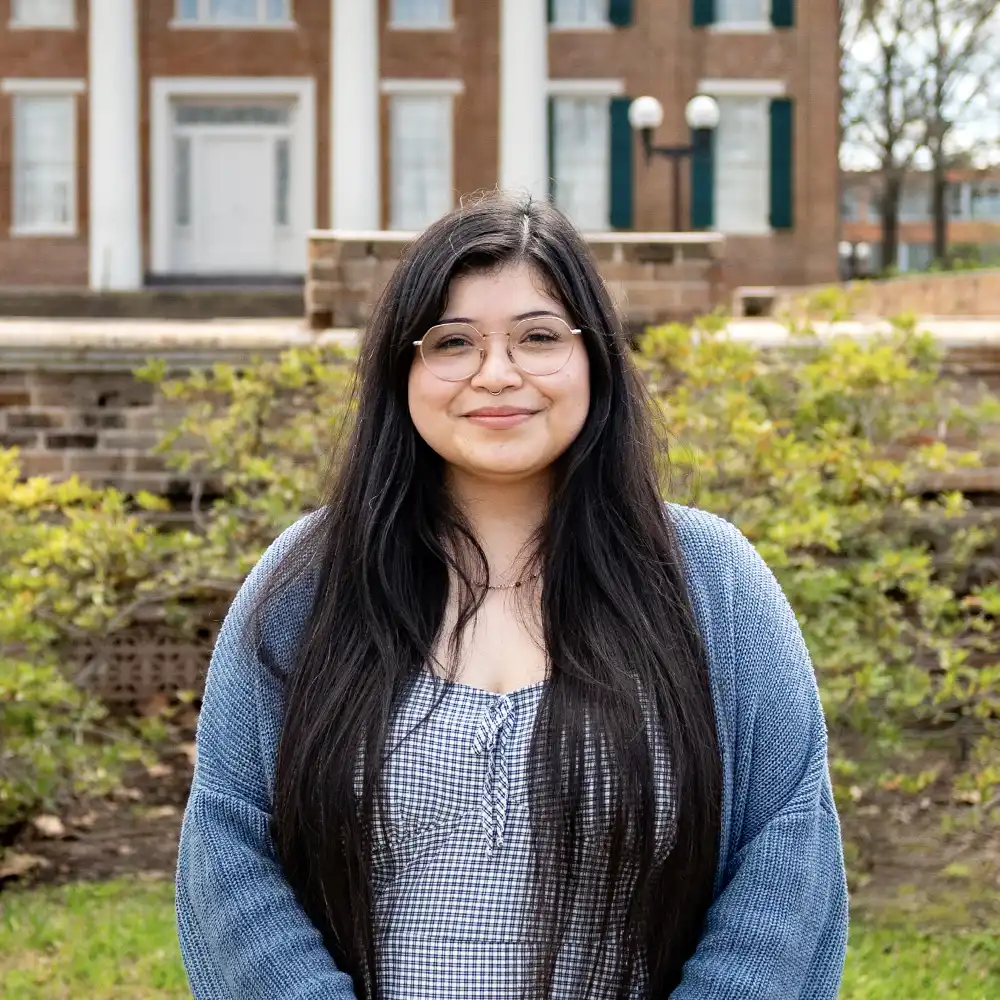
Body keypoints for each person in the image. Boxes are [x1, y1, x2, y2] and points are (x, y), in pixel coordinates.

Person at [175, 194, 848, 1000]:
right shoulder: (310, 581)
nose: (497, 374)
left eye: (537, 337)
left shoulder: (710, 580)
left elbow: (786, 850)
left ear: (595, 358)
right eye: (454, 342)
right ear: (403, 369)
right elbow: (227, 840)